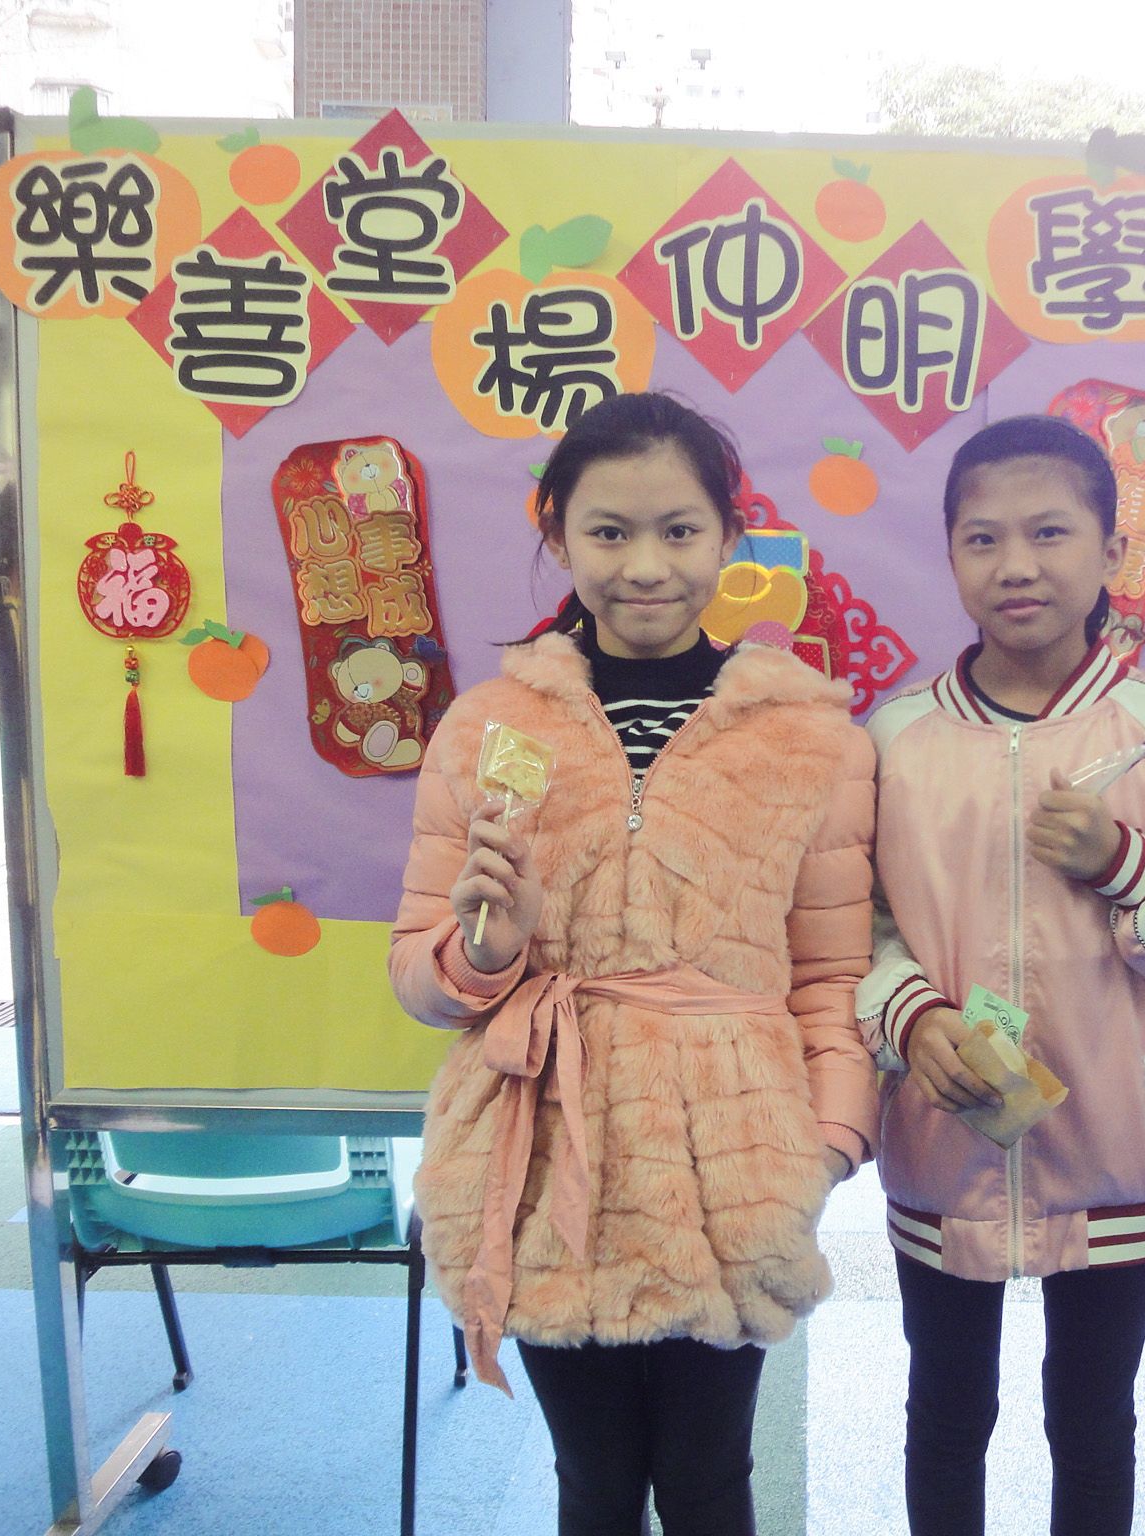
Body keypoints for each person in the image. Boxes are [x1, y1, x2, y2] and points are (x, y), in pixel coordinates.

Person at [389, 391, 877, 1536]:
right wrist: (485, 950)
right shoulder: (489, 724)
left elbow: (829, 976)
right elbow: (418, 972)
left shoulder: (811, 736)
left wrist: (821, 1148)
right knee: (595, 1480)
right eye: (608, 531)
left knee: (708, 1480)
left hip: (735, 1164)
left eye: (679, 530)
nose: (644, 566)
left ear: (729, 536)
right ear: (557, 534)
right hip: (541, 1150)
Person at [857, 414, 1145, 1536]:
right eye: (983, 539)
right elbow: (855, 930)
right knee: (944, 1410)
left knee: (1093, 1417)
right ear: (950, 555)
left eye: (1049, 533)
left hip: (1116, 1142)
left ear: (1112, 552)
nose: (1017, 565)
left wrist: (1125, 862)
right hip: (946, 1133)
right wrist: (909, 1015)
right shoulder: (895, 738)